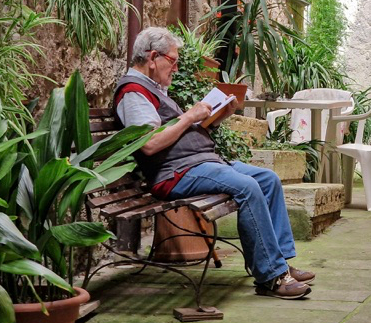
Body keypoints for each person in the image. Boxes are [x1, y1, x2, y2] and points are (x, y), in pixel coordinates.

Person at [114, 26, 314, 299]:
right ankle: (272, 277)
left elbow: (178, 132)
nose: (175, 68)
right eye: (172, 60)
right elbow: (148, 144)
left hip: (198, 163)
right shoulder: (134, 92)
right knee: (247, 187)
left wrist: (216, 116)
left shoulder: (153, 88)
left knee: (268, 180)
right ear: (152, 58)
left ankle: (280, 262)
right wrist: (188, 116)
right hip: (175, 172)